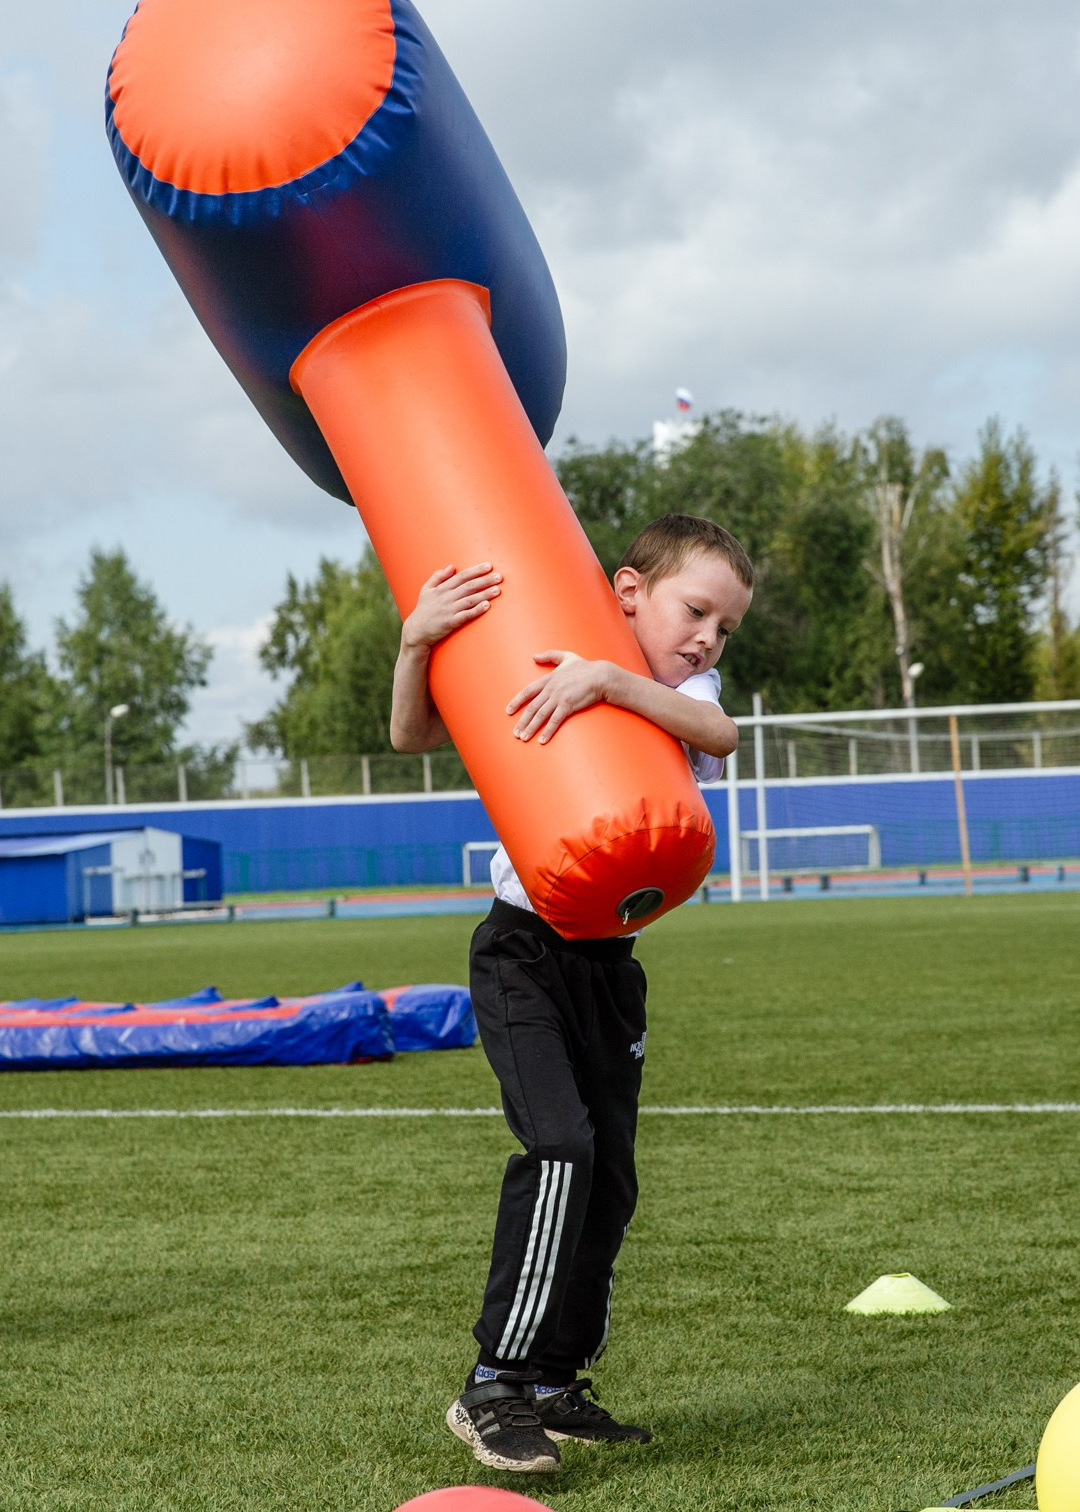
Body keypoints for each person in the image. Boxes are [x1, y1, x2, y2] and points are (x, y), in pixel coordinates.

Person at [390, 513, 751, 1474]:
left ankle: (555, 1381)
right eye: (695, 609)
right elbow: (412, 733)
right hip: (523, 954)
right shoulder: (544, 644)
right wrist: (417, 638)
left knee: (612, 1178)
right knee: (559, 1148)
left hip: (610, 963)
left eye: (725, 624)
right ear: (629, 591)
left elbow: (722, 732)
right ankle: (493, 1383)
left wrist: (609, 682)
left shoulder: (682, 689)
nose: (708, 636)